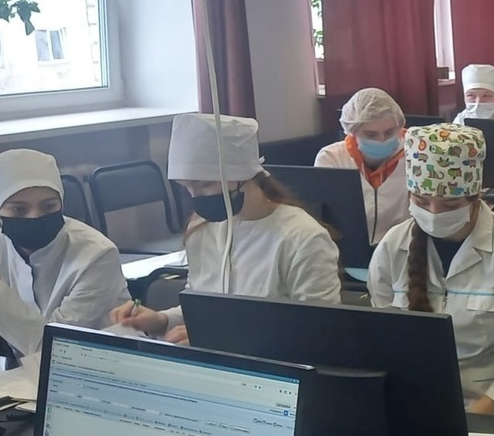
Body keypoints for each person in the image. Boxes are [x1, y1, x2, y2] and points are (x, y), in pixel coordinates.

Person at [368, 123, 494, 417]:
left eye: (450, 205)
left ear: (475, 196)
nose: (433, 214)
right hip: (416, 410)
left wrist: (467, 421)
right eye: (421, 202)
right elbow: (384, 346)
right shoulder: (393, 247)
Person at [112, 114, 341, 344]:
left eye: (204, 185)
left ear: (242, 175)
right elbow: (203, 308)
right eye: (186, 187)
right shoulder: (201, 230)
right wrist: (162, 320)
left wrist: (219, 338)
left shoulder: (303, 239)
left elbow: (318, 333)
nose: (195, 197)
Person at [0, 149, 129, 365]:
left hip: (102, 368)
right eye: (19, 209)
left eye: (49, 206)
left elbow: (58, 350)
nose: (36, 217)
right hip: (25, 374)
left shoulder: (97, 255)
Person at [314, 88, 409, 246]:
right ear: (352, 132)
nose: (382, 140)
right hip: (347, 248)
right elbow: (324, 216)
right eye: (370, 135)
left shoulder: (414, 155)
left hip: (401, 247)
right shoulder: (331, 159)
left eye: (389, 132)